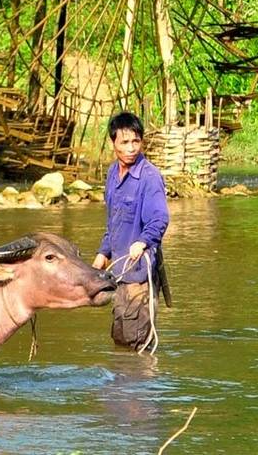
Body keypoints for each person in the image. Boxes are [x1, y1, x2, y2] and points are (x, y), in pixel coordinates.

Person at [92, 111, 170, 349]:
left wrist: (143, 241)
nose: (131, 148)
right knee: (120, 338)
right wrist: (103, 253)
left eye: (136, 141)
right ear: (113, 142)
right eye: (125, 142)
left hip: (140, 275)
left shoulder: (150, 177)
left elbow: (159, 218)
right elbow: (113, 222)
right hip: (119, 275)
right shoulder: (112, 174)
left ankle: (143, 374)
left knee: (138, 341)